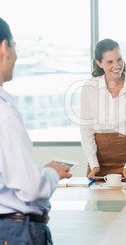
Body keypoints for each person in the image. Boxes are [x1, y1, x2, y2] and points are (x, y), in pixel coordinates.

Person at [0, 17, 72, 244]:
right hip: (17, 230)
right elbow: (31, 188)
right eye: (14, 47)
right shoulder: (5, 114)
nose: (16, 56)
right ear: (4, 48)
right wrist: (52, 172)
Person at [80, 38, 126, 182]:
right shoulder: (89, 88)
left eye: (119, 60)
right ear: (99, 63)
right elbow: (86, 129)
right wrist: (94, 164)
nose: (117, 65)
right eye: (109, 62)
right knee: (97, 204)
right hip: (98, 165)